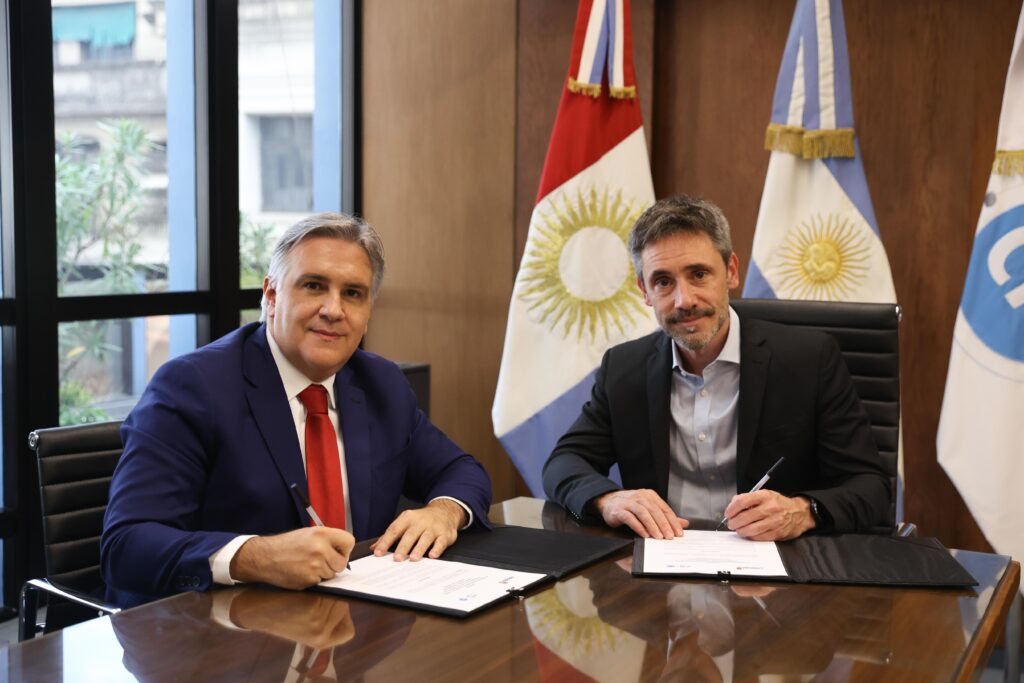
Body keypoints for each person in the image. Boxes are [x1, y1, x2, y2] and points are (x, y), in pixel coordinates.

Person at [102, 212, 492, 607]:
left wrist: (444, 512)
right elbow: (127, 544)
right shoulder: (193, 386)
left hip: (361, 618)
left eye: (352, 293)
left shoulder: (381, 383)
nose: (333, 310)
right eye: (314, 286)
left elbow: (461, 470)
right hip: (227, 625)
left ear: (368, 311)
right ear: (271, 296)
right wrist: (254, 557)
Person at [542, 196, 889, 541]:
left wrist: (802, 511)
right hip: (663, 557)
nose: (684, 300)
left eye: (699, 274)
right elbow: (564, 462)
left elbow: (871, 487)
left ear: (731, 271)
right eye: (663, 281)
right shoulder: (623, 368)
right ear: (644, 291)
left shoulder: (809, 360)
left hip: (776, 561)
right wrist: (609, 499)